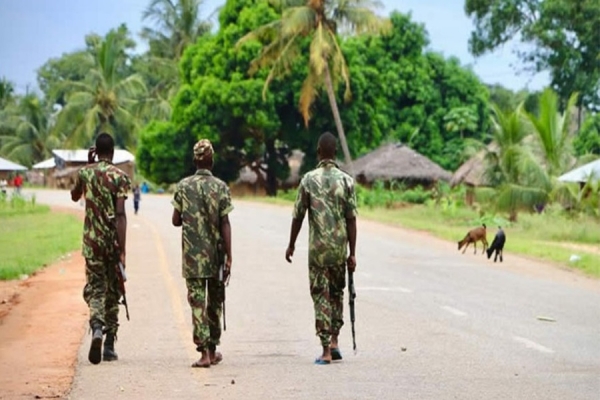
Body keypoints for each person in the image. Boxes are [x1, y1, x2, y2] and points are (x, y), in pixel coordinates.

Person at [285, 132, 358, 365]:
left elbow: (298, 216)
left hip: (317, 252)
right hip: (338, 251)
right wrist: (353, 253)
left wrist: (291, 244)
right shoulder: (347, 181)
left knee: (321, 296)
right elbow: (351, 220)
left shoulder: (308, 180)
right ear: (335, 153)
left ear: (318, 152)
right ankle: (335, 341)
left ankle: (326, 350)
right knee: (337, 294)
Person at [70, 132, 131, 365]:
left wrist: (88, 165)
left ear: (96, 150)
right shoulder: (120, 177)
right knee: (114, 292)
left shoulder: (85, 173)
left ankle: (96, 327)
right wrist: (123, 250)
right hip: (112, 244)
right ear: (112, 152)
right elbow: (121, 214)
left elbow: (75, 196)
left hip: (92, 245)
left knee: (96, 289)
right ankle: (109, 345)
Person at [171, 139, 233, 368]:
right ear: (212, 160)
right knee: (215, 303)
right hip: (216, 256)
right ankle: (214, 348)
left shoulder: (183, 186)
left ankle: (204, 353)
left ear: (195, 160)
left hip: (192, 257)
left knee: (197, 303)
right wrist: (229, 256)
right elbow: (226, 223)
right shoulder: (221, 187)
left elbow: (175, 220)